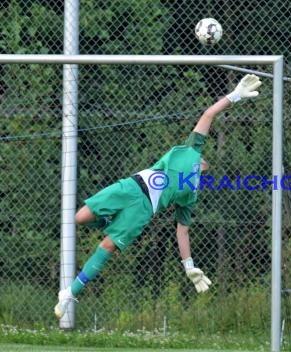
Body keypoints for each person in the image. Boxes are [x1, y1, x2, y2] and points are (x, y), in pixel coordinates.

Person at [54, 74, 262, 319]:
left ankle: (70, 293)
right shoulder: (191, 149)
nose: (204, 164)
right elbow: (209, 114)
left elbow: (181, 231)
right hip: (131, 186)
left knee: (107, 245)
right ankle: (109, 222)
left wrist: (189, 266)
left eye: (206, 167)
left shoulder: (190, 194)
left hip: (143, 209)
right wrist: (235, 96)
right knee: (81, 217)